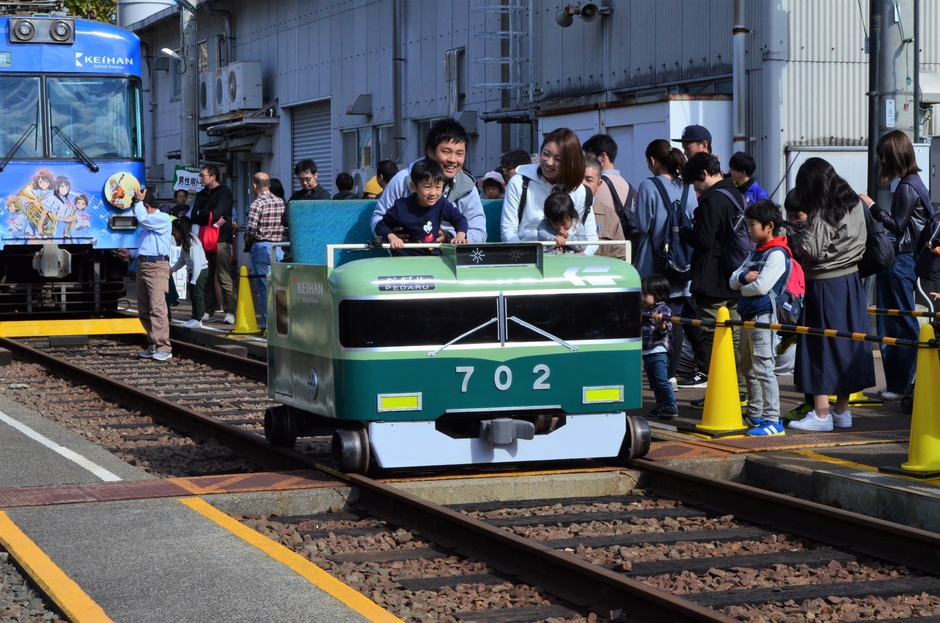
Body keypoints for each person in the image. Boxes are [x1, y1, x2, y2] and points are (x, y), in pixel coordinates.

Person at [788, 157, 874, 432]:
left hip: (824, 283)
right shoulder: (854, 201)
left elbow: (812, 250)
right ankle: (841, 412)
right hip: (851, 281)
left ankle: (821, 414)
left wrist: (798, 240)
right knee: (846, 345)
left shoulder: (824, 208)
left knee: (819, 346)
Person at [860, 130, 930, 401]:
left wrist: (873, 206)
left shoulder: (906, 187)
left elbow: (897, 226)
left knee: (898, 321)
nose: (880, 162)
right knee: (899, 319)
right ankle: (901, 384)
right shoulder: (915, 183)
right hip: (908, 260)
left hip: (900, 259)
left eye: (882, 157)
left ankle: (902, 385)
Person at [634, 140, 707, 388]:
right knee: (674, 318)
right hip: (681, 264)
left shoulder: (648, 185)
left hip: (653, 264)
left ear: (653, 161)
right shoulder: (687, 187)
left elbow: (642, 225)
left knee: (647, 317)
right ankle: (672, 376)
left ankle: (654, 374)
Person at [679, 152, 747, 407]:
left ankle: (720, 391)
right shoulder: (735, 193)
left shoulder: (711, 201)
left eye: (696, 183)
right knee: (736, 336)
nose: (696, 189)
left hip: (711, 278)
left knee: (712, 336)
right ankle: (739, 389)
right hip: (734, 275)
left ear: (705, 175)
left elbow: (704, 241)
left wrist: (684, 232)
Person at [729, 199, 790, 437]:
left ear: (769, 226)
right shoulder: (756, 251)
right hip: (749, 314)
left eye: (752, 224)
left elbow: (762, 287)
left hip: (764, 316)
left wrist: (742, 282)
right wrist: (745, 278)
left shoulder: (777, 253)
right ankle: (755, 414)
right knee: (748, 366)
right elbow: (733, 278)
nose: (748, 229)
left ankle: (773, 419)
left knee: (764, 367)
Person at [373, 118, 486, 243]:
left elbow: (479, 233)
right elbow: (378, 220)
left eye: (459, 153)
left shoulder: (468, 187)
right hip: (407, 257)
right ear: (430, 151)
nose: (453, 160)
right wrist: (390, 235)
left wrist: (449, 236)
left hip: (450, 258)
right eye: (446, 152)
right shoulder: (402, 180)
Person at [500, 127, 598, 254]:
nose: (549, 162)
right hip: (529, 260)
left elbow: (591, 239)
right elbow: (508, 231)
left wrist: (581, 256)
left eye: (558, 159)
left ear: (570, 162)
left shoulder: (580, 191)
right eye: (546, 154)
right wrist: (522, 254)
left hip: (569, 264)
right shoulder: (519, 183)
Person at [374, 158, 468, 255]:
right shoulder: (401, 207)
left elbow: (460, 219)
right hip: (404, 259)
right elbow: (381, 226)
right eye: (427, 187)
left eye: (438, 187)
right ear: (413, 187)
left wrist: (460, 236)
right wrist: (392, 237)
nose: (433, 193)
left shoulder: (441, 203)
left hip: (432, 258)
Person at [130, 188, 173, 361]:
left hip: (157, 266)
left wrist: (138, 202)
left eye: (138, 206)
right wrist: (130, 253)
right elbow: (147, 245)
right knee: (144, 309)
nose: (135, 211)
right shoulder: (147, 223)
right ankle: (153, 345)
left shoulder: (161, 218)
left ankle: (164, 347)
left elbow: (143, 218)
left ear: (146, 206)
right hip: (143, 264)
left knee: (157, 308)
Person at [191, 165, 236, 324]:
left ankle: (230, 311)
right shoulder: (201, 194)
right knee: (207, 276)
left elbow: (218, 213)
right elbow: (194, 216)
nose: (200, 178)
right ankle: (208, 310)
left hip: (222, 238)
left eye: (203, 175)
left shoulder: (225, 192)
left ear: (213, 177)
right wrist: (209, 215)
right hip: (205, 239)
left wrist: (205, 214)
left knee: (224, 276)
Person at [582, 133, 638, 257]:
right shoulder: (628, 185)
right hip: (622, 248)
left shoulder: (596, 185)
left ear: (603, 157)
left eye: (589, 157)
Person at [245, 172, 286, 331]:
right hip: (278, 247)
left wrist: (249, 240)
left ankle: (267, 324)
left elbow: (250, 230)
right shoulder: (280, 202)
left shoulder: (257, 204)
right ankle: (280, 322)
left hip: (261, 247)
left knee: (264, 288)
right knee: (277, 287)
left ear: (255, 185)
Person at [641, 274, 678, 419]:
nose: (642, 298)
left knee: (662, 380)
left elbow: (665, 329)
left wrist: (660, 323)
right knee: (654, 383)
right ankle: (660, 405)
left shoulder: (663, 309)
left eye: (645, 294)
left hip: (659, 350)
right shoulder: (645, 309)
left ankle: (670, 406)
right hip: (647, 351)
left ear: (657, 295)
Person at [583, 156, 626, 260]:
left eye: (588, 180)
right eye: (578, 179)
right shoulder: (559, 210)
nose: (582, 184)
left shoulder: (610, 218)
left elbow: (620, 259)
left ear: (598, 185)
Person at [170, 218, 208, 329]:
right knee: (193, 295)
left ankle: (198, 319)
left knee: (197, 295)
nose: (173, 235)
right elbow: (182, 259)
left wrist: (194, 279)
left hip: (200, 271)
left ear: (180, 230)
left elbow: (196, 262)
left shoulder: (192, 242)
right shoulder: (185, 242)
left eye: (174, 232)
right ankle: (195, 317)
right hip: (194, 271)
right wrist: (173, 269)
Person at [537, 189, 589, 254]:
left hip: (569, 261)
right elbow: (541, 235)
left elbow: (583, 245)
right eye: (555, 223)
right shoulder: (545, 224)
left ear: (572, 216)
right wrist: (554, 239)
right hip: (549, 260)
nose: (560, 227)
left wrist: (568, 236)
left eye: (564, 223)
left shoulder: (576, 225)